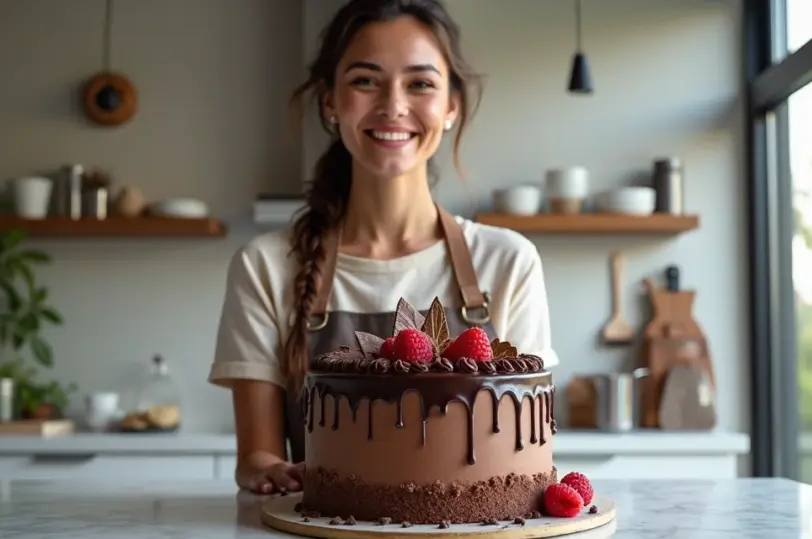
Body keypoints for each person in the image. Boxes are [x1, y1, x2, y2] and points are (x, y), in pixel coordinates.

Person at [208, 0, 558, 495]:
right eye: (365, 80)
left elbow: (523, 456)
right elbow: (258, 456)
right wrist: (269, 473)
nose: (393, 106)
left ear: (451, 105)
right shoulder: (266, 265)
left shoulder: (508, 262)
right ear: (330, 100)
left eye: (420, 83)